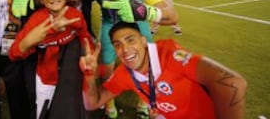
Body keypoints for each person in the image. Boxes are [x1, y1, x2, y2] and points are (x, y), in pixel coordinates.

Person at [85, 0, 178, 118]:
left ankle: (144, 104)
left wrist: (143, 11)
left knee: (147, 63)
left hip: (136, 18)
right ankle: (109, 107)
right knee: (106, 68)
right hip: (109, 21)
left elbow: (172, 15)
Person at [79, 21, 247, 119]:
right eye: (118, 45)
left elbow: (233, 83)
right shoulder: (125, 73)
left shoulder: (170, 54)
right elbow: (92, 102)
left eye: (130, 40)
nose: (125, 49)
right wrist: (88, 75)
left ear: (144, 41)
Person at [9, 0, 93, 119]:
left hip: (71, 76)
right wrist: (30, 41)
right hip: (46, 79)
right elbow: (14, 53)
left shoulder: (75, 15)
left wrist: (89, 54)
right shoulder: (36, 20)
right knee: (43, 113)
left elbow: (84, 36)